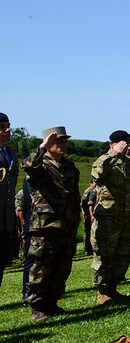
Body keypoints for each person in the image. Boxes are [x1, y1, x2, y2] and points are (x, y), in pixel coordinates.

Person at [18, 127, 81, 322]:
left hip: (67, 224)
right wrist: (41, 148)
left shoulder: (70, 166)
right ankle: (37, 307)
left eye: (64, 142)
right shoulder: (41, 165)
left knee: (62, 266)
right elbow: (27, 165)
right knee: (41, 267)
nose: (62, 145)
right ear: (48, 144)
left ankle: (52, 303)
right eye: (58, 142)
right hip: (45, 226)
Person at [89, 130, 130, 305]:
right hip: (108, 217)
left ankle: (113, 288)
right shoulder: (105, 160)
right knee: (104, 255)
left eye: (128, 142)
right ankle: (102, 292)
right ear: (112, 143)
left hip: (126, 215)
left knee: (122, 254)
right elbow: (97, 173)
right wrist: (114, 154)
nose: (127, 145)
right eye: (123, 142)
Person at [0, 113, 18, 288]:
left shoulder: (10, 154)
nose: (8, 129)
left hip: (5, 219)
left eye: (8, 125)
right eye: (2, 127)